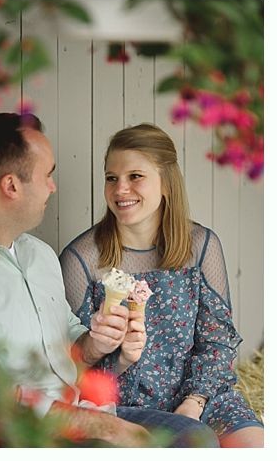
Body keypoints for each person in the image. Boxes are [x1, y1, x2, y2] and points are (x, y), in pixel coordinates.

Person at [0, 113, 217, 447]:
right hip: (28, 432)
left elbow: (69, 344)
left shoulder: (40, 256)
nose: (54, 187)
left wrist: (96, 341)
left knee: (194, 437)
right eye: (48, 175)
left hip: (84, 409)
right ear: (11, 186)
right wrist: (101, 426)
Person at [59, 123, 264, 447]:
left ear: (166, 182)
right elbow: (74, 366)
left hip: (201, 396)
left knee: (256, 446)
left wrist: (193, 402)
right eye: (111, 178)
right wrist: (119, 357)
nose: (120, 189)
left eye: (134, 176)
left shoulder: (201, 245)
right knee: (197, 445)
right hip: (125, 408)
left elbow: (218, 343)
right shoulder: (82, 259)